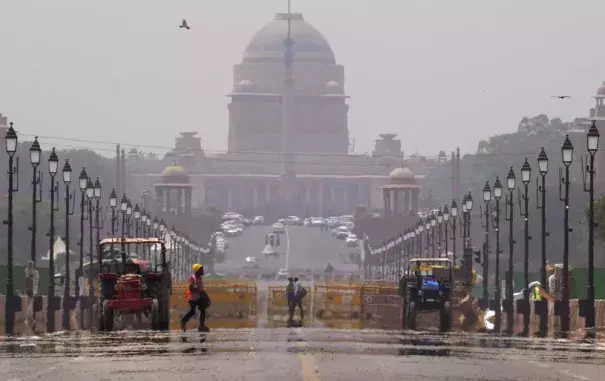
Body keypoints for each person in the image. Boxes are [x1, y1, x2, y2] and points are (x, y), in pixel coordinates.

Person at [181, 263, 210, 333]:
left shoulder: (199, 278)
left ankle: (201, 326)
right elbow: (191, 287)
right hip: (193, 298)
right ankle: (183, 321)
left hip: (199, 297)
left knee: (202, 310)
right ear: (197, 270)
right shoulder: (192, 277)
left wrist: (203, 294)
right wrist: (198, 289)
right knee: (193, 311)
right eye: (201, 269)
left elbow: (200, 288)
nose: (203, 271)